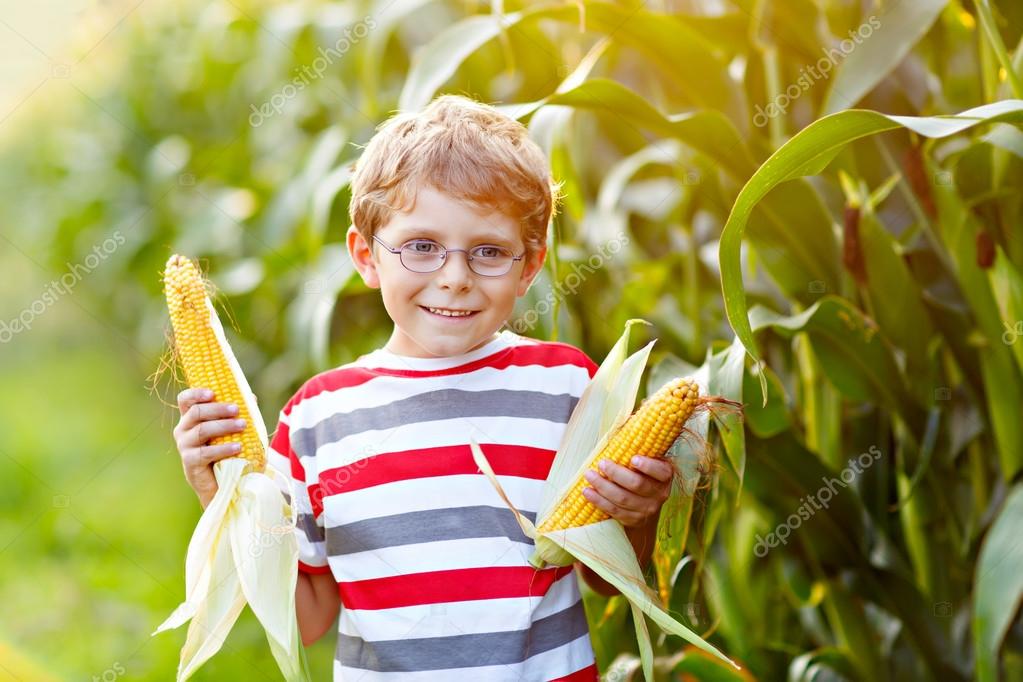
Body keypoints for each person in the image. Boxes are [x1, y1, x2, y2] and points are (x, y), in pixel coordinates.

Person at [171, 95, 674, 681]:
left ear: (529, 266)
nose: (454, 278)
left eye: (488, 251)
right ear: (366, 256)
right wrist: (227, 502)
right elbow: (306, 619)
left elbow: (603, 577)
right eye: (421, 247)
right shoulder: (317, 419)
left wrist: (635, 517)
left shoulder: (566, 388)